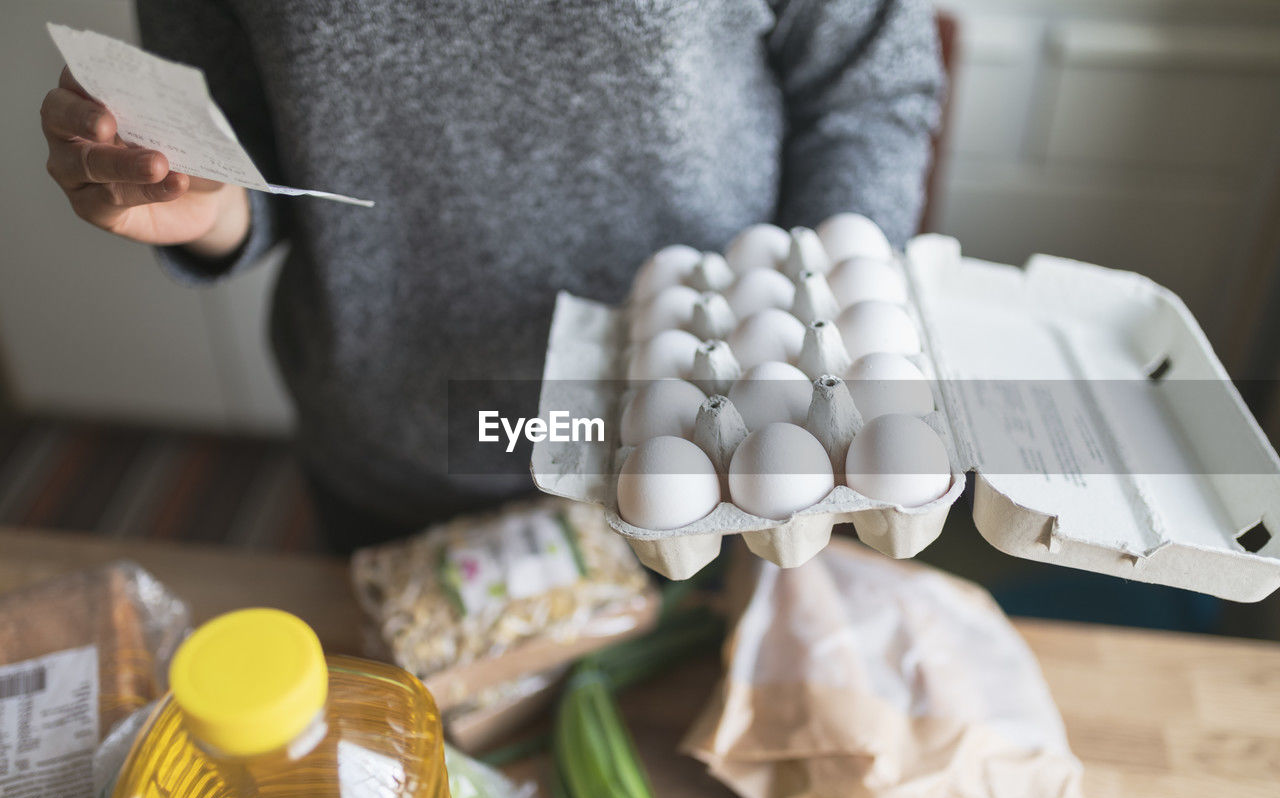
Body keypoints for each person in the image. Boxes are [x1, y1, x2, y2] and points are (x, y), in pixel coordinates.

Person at [40, 0, 943, 552]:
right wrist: (203, 208)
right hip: (411, 425)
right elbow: (245, 151)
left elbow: (868, 91)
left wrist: (822, 313)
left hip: (716, 436)